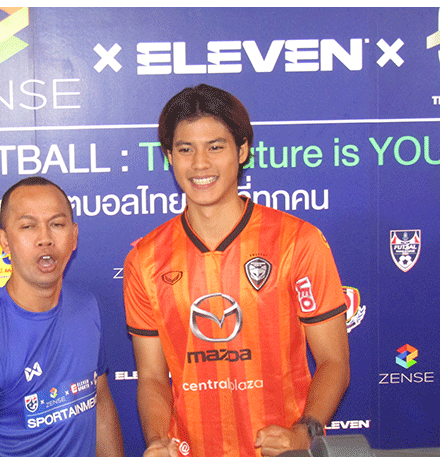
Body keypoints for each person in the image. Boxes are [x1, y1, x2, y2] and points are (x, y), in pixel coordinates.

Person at [123, 84, 350, 457]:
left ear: (242, 150)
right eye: (185, 149)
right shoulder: (145, 260)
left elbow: (333, 361)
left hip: (281, 453)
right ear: (168, 156)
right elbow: (150, 377)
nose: (200, 164)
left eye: (215, 147)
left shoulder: (298, 241)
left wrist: (304, 432)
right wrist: (158, 440)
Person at [0, 176, 123, 457]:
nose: (45, 238)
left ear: (74, 236)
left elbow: (100, 404)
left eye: (57, 224)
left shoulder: (86, 306)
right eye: (28, 226)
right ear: (4, 242)